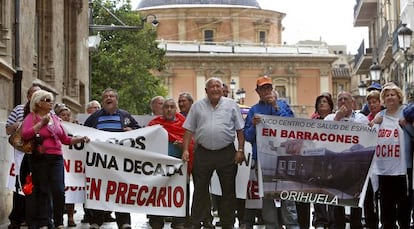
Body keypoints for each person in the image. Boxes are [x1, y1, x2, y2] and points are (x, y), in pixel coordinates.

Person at [182, 77, 245, 229]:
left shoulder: (231, 105)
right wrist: (185, 150)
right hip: (203, 153)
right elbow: (189, 129)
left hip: (226, 153)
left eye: (218, 86)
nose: (215, 89)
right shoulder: (197, 106)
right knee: (200, 190)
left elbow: (240, 130)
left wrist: (240, 150)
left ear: (223, 89)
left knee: (228, 190)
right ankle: (196, 222)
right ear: (206, 90)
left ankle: (227, 223)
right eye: (212, 87)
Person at [21, 89, 89, 229]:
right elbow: (25, 135)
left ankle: (58, 221)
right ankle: (44, 222)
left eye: (51, 100)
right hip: (40, 158)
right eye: (47, 100)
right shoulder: (31, 117)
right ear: (38, 103)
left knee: (59, 190)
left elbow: (65, 139)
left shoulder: (56, 119)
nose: (50, 103)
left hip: (56, 158)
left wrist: (81, 139)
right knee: (43, 190)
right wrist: (41, 124)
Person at [241, 75, 297, 229]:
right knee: (266, 197)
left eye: (268, 87)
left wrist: (277, 108)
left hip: (284, 158)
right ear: (257, 91)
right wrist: (252, 125)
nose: (266, 91)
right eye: (263, 88)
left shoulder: (283, 105)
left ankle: (292, 225)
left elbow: (291, 126)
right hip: (263, 160)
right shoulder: (254, 110)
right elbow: (247, 136)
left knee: (287, 195)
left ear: (272, 89)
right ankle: (271, 225)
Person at [84, 88, 140, 229]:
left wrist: (132, 131)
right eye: (105, 97)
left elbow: (140, 131)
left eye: (111, 96)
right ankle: (96, 221)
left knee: (121, 190)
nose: (108, 98)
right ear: (103, 101)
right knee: (99, 190)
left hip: (120, 163)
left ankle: (124, 222)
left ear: (116, 100)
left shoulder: (125, 116)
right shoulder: (95, 116)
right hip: (100, 162)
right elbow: (83, 131)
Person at [324, 91, 368, 229]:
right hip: (336, 165)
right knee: (337, 201)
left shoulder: (361, 118)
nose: (343, 101)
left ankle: (356, 225)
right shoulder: (330, 118)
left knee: (355, 198)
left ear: (352, 103)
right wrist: (337, 118)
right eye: (340, 99)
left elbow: (366, 137)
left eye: (346, 99)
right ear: (337, 103)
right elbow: (324, 137)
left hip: (356, 166)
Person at [147, 98, 194, 229]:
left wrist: (183, 146)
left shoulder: (184, 124)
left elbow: (191, 142)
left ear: (176, 109)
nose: (169, 109)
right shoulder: (154, 124)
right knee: (157, 192)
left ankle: (180, 220)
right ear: (162, 110)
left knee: (180, 193)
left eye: (172, 107)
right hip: (159, 168)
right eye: (166, 107)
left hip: (178, 168)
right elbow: (146, 141)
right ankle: (156, 219)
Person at [370, 84, 411, 229]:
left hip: (404, 168)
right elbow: (369, 135)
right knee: (386, 205)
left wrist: (406, 125)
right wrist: (374, 123)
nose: (390, 97)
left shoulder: (406, 113)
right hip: (384, 170)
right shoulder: (380, 116)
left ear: (399, 97)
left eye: (393, 95)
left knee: (404, 204)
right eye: (387, 95)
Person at [5, 84, 41, 229]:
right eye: (33, 94)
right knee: (20, 184)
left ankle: (33, 217)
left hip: (38, 153)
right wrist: (16, 126)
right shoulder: (18, 109)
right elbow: (8, 130)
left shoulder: (44, 110)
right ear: (28, 96)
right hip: (21, 152)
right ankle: (17, 218)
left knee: (37, 184)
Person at [311, 93, 334, 229]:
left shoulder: (338, 121)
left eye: (325, 101)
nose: (322, 104)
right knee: (317, 190)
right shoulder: (313, 123)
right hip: (317, 161)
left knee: (331, 191)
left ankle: (333, 220)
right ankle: (320, 220)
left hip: (332, 161)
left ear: (330, 105)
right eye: (319, 102)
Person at [53, 104, 77, 227]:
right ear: (58, 116)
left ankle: (71, 217)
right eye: (63, 115)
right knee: (58, 191)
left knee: (71, 191)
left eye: (68, 115)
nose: (66, 117)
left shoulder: (75, 128)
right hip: (58, 162)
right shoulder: (55, 127)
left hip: (72, 166)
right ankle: (57, 217)